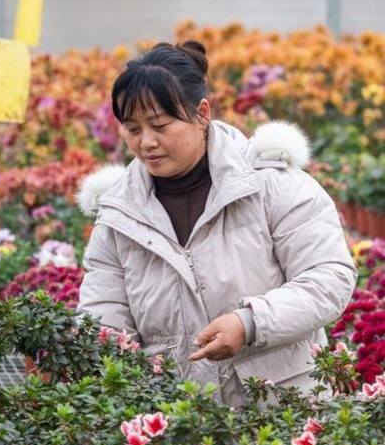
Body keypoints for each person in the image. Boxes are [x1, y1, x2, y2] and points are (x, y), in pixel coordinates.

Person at [76, 40, 356, 404]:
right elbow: (104, 316)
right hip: (176, 420)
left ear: (202, 113)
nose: (146, 142)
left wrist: (249, 322)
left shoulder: (270, 183)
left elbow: (329, 277)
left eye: (160, 125)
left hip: (278, 412)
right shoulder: (119, 215)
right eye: (132, 129)